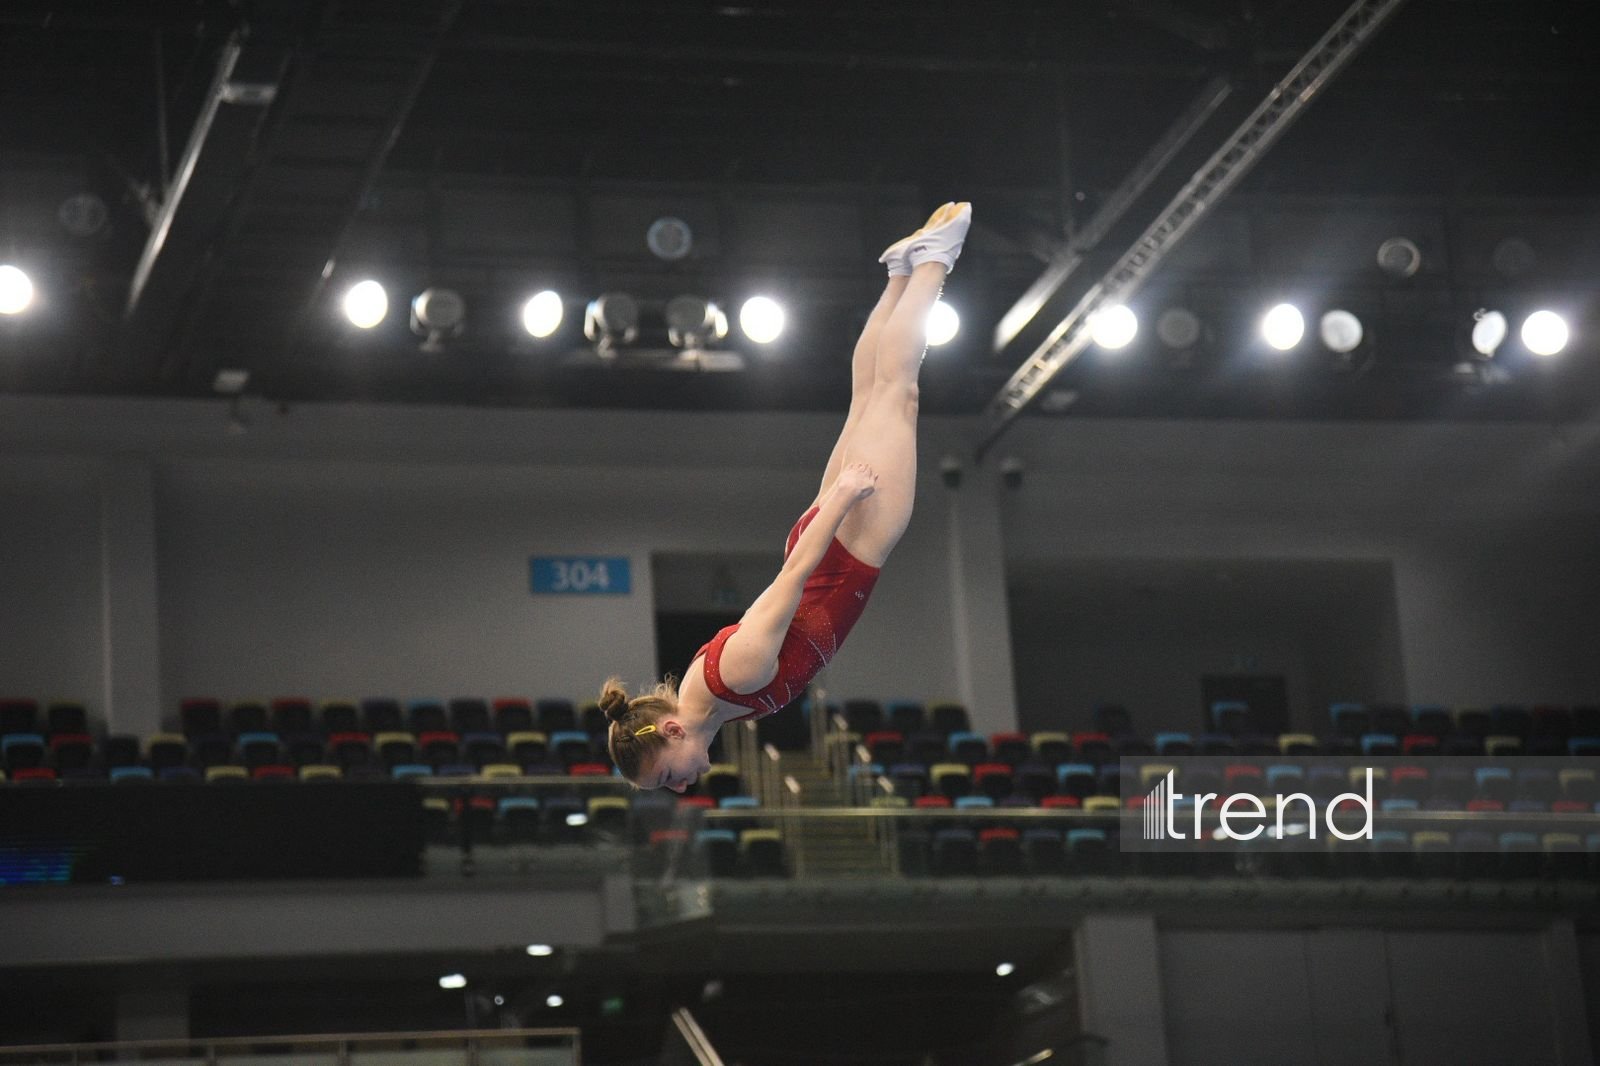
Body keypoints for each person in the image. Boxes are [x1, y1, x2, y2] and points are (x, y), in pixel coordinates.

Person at [602, 201, 973, 791]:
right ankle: (900, 271)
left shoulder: (736, 680)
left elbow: (792, 579)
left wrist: (846, 495)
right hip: (831, 537)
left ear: (672, 734)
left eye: (668, 778)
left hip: (845, 544)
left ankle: (933, 263)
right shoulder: (714, 698)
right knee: (870, 396)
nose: (683, 787)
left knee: (897, 393)